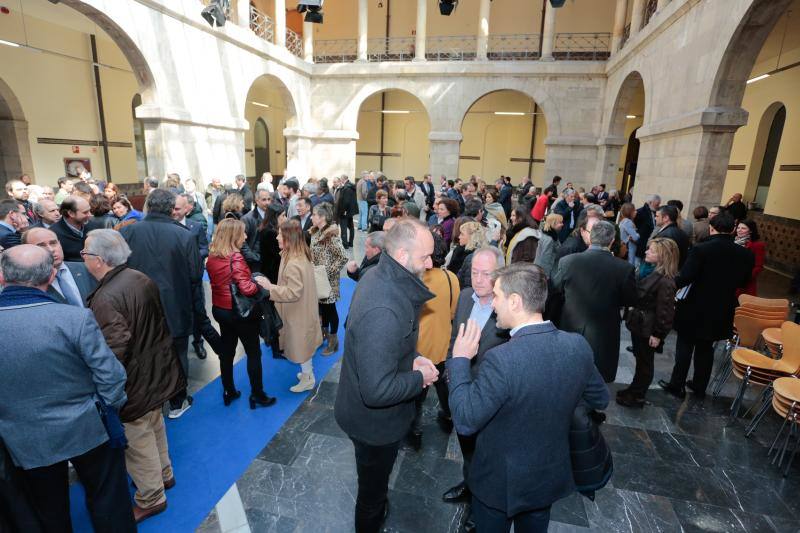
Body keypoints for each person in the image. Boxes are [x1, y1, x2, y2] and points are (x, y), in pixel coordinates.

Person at [447, 263, 609, 533]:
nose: (493, 304)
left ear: (515, 301)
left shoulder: (502, 359)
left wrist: (461, 359)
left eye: (497, 296)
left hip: (498, 483)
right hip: (546, 477)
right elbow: (599, 398)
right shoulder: (577, 345)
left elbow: (465, 419)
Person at [0, 245, 135, 532]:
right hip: (86, 428)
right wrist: (107, 407)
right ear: (51, 276)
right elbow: (111, 376)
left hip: (24, 439)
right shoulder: (73, 318)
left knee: (48, 510)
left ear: (3, 276)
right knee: (108, 500)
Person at [334, 218, 439, 533]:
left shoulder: (380, 274)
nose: (431, 263)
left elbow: (389, 344)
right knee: (371, 495)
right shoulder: (385, 308)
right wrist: (420, 378)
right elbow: (377, 390)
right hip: (374, 427)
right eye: (425, 257)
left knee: (374, 481)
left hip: (368, 415)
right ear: (404, 256)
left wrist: (415, 358)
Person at [82, 230, 184, 522]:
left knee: (137, 441)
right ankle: (164, 475)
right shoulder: (139, 277)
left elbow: (114, 348)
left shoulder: (106, 296)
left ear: (99, 260)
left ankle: (151, 497)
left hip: (133, 382)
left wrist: (106, 387)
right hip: (156, 371)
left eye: (86, 254)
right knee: (154, 425)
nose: (83, 258)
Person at [120, 189, 203, 419]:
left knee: (147, 354)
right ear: (170, 208)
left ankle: (154, 400)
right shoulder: (184, 235)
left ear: (148, 206)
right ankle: (178, 402)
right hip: (176, 306)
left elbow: (120, 269)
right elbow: (196, 274)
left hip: (139, 307)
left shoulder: (129, 233)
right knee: (178, 355)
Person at [441, 247, 508, 522]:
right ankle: (469, 485)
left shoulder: (508, 308)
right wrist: (449, 367)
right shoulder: (466, 296)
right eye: (474, 272)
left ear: (500, 275)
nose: (478, 279)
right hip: (461, 387)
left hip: (491, 397)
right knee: (467, 445)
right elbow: (454, 336)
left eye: (486, 274)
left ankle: (480, 506)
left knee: (488, 456)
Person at [660, 212, 754, 399]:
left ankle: (676, 384)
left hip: (694, 305)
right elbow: (744, 282)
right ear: (733, 229)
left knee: (685, 345)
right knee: (706, 348)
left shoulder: (701, 249)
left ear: (711, 228)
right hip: (722, 307)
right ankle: (699, 385)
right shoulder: (746, 254)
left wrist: (667, 285)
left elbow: (686, 277)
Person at [206, 219, 277, 408]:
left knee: (227, 351)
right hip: (241, 312)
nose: (245, 236)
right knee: (253, 352)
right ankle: (257, 394)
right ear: (233, 235)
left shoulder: (212, 256)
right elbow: (246, 289)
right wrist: (258, 282)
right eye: (242, 233)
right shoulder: (235, 257)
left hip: (220, 309)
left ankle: (228, 390)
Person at [553, 221, 636, 382]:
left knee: (568, 373)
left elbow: (555, 288)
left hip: (572, 326)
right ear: (612, 241)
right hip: (604, 330)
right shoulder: (624, 268)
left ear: (590, 237)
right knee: (596, 374)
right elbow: (630, 299)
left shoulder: (569, 261)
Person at [409, 231, 461, 450]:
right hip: (442, 345)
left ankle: (415, 431)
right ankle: (449, 417)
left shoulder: (413, 279)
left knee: (416, 396)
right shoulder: (451, 278)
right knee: (443, 385)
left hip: (417, 350)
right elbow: (452, 312)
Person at [259, 220, 323, 392]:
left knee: (301, 347)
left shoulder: (293, 262)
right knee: (305, 345)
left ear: (289, 238)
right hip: (302, 310)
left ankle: (308, 378)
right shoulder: (297, 254)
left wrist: (269, 287)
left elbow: (293, 293)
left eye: (281, 234)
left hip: (297, 313)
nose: (277, 237)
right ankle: (307, 372)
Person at [617, 238, 678, 408]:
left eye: (651, 250)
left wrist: (658, 334)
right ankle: (634, 389)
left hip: (648, 327)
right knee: (640, 358)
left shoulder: (665, 281)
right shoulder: (647, 270)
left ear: (662, 256)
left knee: (645, 362)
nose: (646, 252)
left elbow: (665, 311)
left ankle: (637, 396)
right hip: (639, 323)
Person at [309, 203, 348, 355]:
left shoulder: (330, 235)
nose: (312, 217)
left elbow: (344, 257)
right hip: (317, 278)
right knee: (323, 308)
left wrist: (328, 272)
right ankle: (323, 335)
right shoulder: (315, 233)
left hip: (329, 281)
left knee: (330, 310)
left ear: (322, 217)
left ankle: (334, 341)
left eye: (314, 214)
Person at [22, 227, 96, 305]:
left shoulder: (86, 267)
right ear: (27, 250)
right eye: (41, 246)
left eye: (53, 243)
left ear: (60, 244)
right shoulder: (27, 284)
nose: (51, 249)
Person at [50, 196, 91, 262]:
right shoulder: (53, 234)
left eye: (89, 211)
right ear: (71, 213)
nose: (90, 215)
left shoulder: (91, 225)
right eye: (85, 212)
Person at [449, 221, 487, 289]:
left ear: (472, 237)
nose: (459, 236)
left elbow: (467, 285)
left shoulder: (473, 258)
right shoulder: (459, 250)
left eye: (462, 234)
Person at [735, 219, 766, 297]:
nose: (739, 230)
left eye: (743, 228)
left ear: (751, 231)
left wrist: (745, 277)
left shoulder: (757, 245)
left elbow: (758, 266)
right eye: (738, 228)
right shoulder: (734, 241)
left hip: (745, 283)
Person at [533, 213, 562, 278]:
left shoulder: (547, 234)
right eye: (560, 222)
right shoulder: (549, 239)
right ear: (553, 224)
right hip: (543, 273)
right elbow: (545, 260)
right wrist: (545, 276)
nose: (562, 224)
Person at [633, 194, 661, 262]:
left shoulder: (655, 212)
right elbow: (634, 227)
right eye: (657, 204)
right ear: (650, 202)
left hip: (650, 244)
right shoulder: (639, 212)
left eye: (658, 204)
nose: (658, 206)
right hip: (640, 244)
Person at [335, 175, 358, 248]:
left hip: (345, 212)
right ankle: (351, 243)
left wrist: (343, 211)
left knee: (344, 228)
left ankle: (345, 244)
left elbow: (346, 201)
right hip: (350, 211)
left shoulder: (346, 188)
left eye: (341, 180)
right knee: (351, 227)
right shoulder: (351, 186)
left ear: (342, 179)